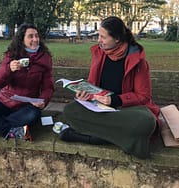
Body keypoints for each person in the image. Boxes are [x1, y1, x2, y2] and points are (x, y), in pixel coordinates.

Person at [59, 16, 160, 159]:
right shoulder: (99, 54)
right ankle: (119, 139)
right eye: (99, 35)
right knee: (70, 110)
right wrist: (83, 95)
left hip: (126, 110)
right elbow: (92, 85)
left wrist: (115, 100)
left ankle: (90, 137)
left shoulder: (138, 62)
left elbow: (144, 96)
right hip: (100, 107)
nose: (98, 40)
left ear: (117, 39)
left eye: (103, 37)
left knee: (146, 122)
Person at [0, 23, 54, 139]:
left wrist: (43, 100)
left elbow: (48, 87)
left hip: (27, 107)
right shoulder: (12, 55)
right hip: (5, 103)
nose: (35, 39)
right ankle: (9, 129)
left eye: (36, 36)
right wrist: (9, 70)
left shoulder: (44, 58)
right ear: (21, 39)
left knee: (33, 114)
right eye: (30, 36)